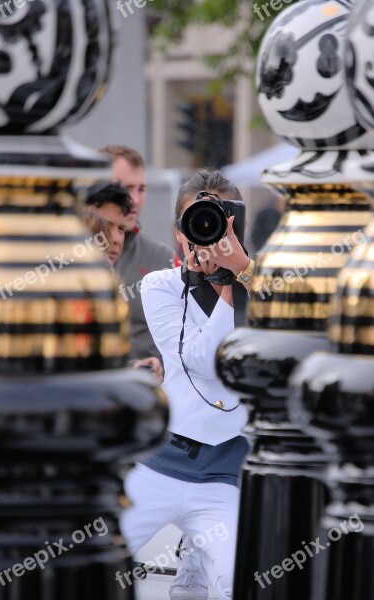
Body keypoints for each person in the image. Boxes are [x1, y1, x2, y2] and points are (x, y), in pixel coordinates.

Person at [119, 169, 255, 600]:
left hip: (224, 473)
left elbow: (298, 319)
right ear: (180, 232)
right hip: (161, 461)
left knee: (235, 581)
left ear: (238, 224)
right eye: (198, 220)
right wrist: (224, 285)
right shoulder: (160, 286)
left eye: (221, 220)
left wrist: (242, 274)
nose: (209, 232)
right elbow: (202, 360)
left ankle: (194, 570)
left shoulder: (264, 284)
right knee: (95, 553)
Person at [101, 145, 176, 362]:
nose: (134, 200)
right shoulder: (64, 255)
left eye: (141, 189)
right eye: (125, 188)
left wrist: (160, 368)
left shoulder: (164, 259)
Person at [83, 180, 163, 381]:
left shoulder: (161, 258)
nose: (116, 238)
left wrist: (132, 368)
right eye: (106, 225)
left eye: (121, 229)